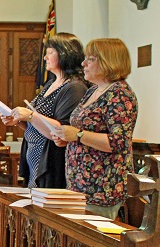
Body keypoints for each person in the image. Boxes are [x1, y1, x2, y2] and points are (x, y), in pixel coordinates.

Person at [52, 38, 138, 220]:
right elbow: (80, 130)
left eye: (90, 59)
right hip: (79, 185)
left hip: (102, 188)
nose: (83, 63)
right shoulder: (93, 91)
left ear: (108, 61)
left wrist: (79, 135)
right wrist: (67, 137)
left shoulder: (120, 94)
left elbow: (119, 142)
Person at [0, 33, 89, 189]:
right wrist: (19, 121)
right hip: (35, 156)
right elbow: (35, 125)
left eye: (50, 52)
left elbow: (61, 130)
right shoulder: (50, 84)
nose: (45, 58)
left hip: (51, 160)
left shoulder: (74, 87)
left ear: (64, 54)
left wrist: (30, 115)